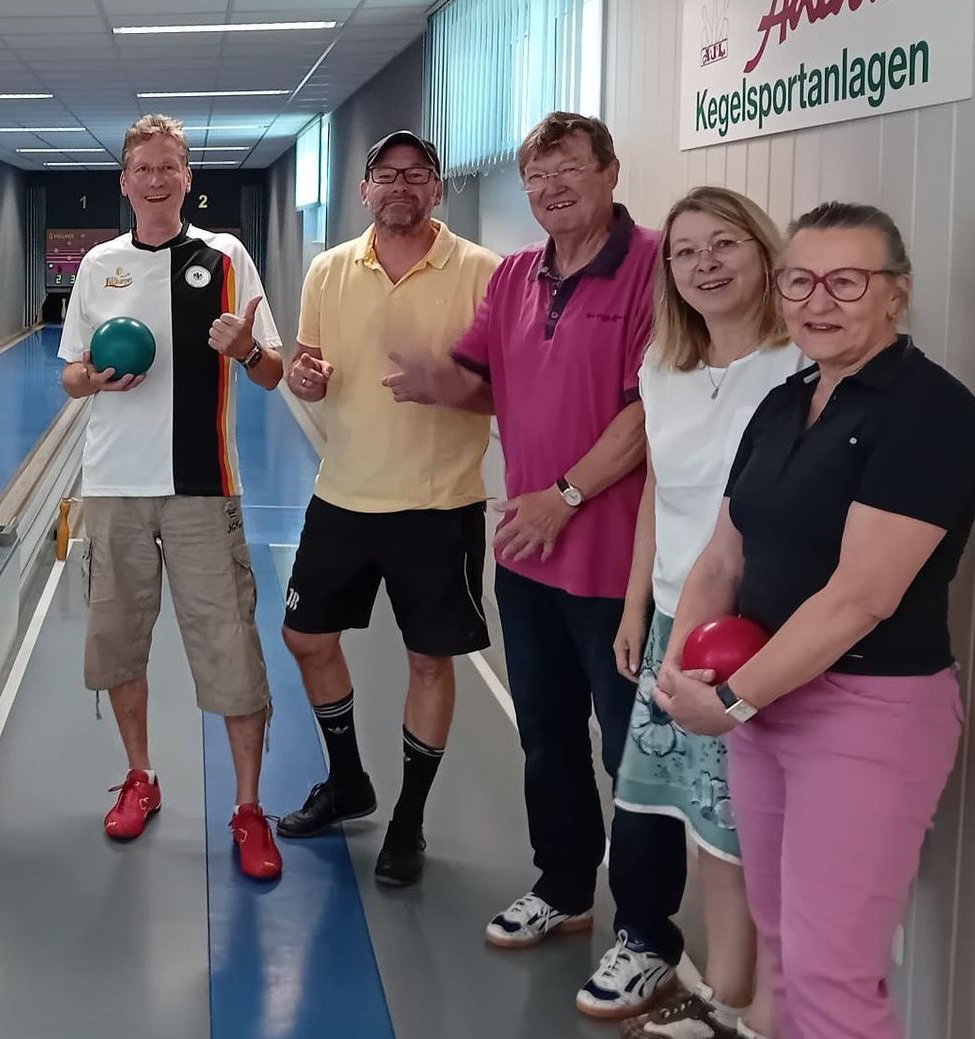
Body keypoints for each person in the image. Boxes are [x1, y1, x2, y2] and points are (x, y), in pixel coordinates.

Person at [385, 112, 687, 1017]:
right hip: (528, 556)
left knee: (632, 755)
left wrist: (565, 493)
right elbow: (481, 378)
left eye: (569, 170)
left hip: (619, 568)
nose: (552, 190)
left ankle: (647, 934)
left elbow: (648, 412)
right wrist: (437, 382)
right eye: (537, 176)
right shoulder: (516, 275)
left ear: (610, 171)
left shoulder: (654, 267)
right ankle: (563, 885)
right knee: (544, 736)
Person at [658, 202, 975, 1039]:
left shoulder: (929, 411)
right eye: (798, 280)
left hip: (867, 713)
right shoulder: (784, 401)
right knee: (782, 949)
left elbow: (860, 595)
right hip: (766, 708)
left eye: (845, 281)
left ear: (895, 294)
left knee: (831, 975)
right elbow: (721, 558)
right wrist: (680, 665)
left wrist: (730, 700)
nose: (817, 300)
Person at [58, 114, 288, 881]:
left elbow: (272, 372)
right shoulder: (99, 265)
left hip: (202, 486)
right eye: (143, 168)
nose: (156, 179)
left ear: (188, 178)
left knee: (230, 648)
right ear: (123, 181)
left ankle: (248, 807)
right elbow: (70, 373)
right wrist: (94, 378)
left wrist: (245, 349)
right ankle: (140, 775)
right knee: (120, 641)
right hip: (113, 486)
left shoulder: (225, 257)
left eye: (169, 167)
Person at [277, 130, 500, 887]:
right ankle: (347, 781)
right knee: (305, 636)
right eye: (386, 173)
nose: (400, 184)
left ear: (437, 188)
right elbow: (307, 366)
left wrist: (450, 387)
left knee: (428, 659)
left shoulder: (482, 272)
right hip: (342, 491)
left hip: (438, 504)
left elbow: (510, 390)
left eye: (417, 173)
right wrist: (304, 379)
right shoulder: (329, 269)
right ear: (364, 189)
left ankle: (409, 819)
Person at [613, 187, 797, 1039]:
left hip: (765, 631)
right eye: (684, 252)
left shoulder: (799, 365)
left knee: (755, 826)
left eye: (723, 244)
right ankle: (724, 995)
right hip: (677, 622)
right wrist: (636, 605)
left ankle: (761, 1009)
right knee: (706, 824)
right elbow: (659, 489)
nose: (704, 264)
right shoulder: (664, 367)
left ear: (762, 251)